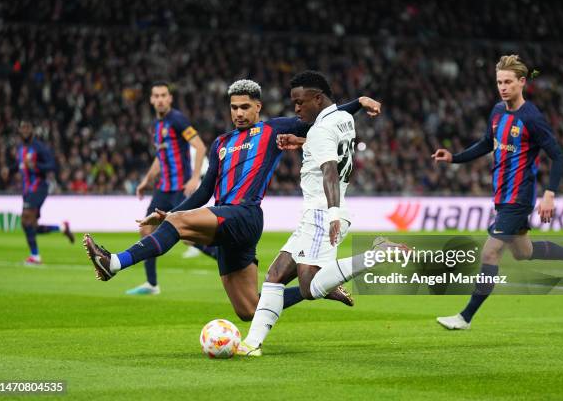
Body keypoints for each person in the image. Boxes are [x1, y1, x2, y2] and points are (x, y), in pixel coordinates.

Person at [84, 79, 378, 319]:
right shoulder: (221, 143)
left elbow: (324, 117)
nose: (238, 113)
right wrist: (169, 213)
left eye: (245, 107)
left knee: (179, 225)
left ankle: (115, 263)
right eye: (234, 107)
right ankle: (317, 288)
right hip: (225, 219)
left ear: (258, 107)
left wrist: (359, 104)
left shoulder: (274, 128)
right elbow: (203, 191)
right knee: (250, 309)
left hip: (245, 214)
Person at [237, 71, 408, 356]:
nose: (296, 109)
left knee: (309, 288)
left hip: (322, 214)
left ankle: (380, 254)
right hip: (316, 214)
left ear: (317, 99)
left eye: (300, 102)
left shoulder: (319, 130)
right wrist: (304, 144)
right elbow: (335, 151)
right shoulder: (343, 119)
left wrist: (332, 215)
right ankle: (252, 344)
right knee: (276, 274)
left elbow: (329, 169)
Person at [431, 55, 563, 330]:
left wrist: (550, 193)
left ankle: (465, 317)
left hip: (519, 198)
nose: (503, 87)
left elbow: (559, 156)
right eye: (499, 82)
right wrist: (454, 158)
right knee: (523, 252)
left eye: (508, 82)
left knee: (490, 253)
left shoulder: (532, 117)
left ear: (522, 83)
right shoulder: (497, 112)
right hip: (502, 196)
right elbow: (486, 143)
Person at [126, 81, 212, 295]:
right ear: (151, 100)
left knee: (188, 237)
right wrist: (147, 180)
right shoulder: (156, 125)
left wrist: (194, 178)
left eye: (164, 95)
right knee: (146, 230)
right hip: (162, 189)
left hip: (178, 189)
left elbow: (200, 147)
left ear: (170, 98)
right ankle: (152, 284)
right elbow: (160, 157)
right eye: (156, 95)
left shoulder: (177, 119)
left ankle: (229, 260)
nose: (160, 99)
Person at [15, 119, 74, 265]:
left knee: (26, 218)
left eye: (28, 127)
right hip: (27, 190)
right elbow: (19, 166)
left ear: (32, 130)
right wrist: (8, 170)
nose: (25, 130)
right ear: (19, 130)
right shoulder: (20, 148)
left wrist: (36, 165)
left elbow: (52, 166)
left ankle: (35, 257)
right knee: (29, 225)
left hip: (39, 187)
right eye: (23, 128)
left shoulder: (39, 147)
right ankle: (61, 228)